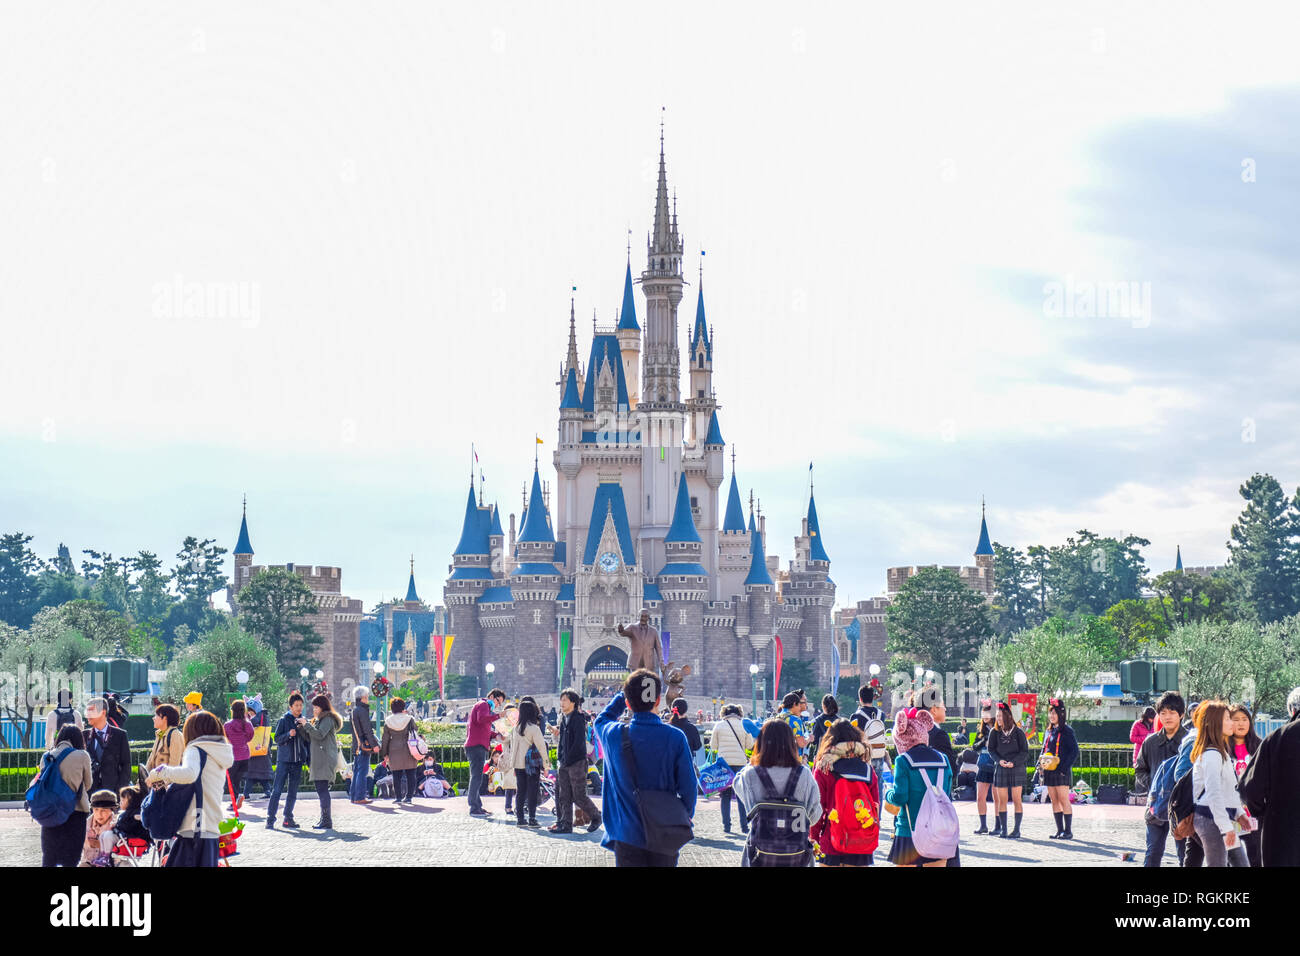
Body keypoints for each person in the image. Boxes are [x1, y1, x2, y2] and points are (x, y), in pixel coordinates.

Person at [594, 669, 697, 867]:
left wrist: (622, 695)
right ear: (658, 700)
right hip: (665, 832)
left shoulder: (613, 735)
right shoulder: (675, 737)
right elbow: (689, 788)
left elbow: (602, 719)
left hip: (626, 835)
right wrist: (682, 818)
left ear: (627, 703)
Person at [145, 710, 233, 867]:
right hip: (210, 828)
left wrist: (159, 772)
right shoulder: (220, 753)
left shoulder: (195, 749)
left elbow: (190, 774)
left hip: (193, 828)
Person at [732, 718, 821, 867]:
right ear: (790, 743)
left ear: (761, 743)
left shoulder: (750, 774)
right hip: (797, 854)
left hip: (759, 854)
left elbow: (737, 784)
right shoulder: (804, 774)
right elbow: (814, 814)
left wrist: (753, 760)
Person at [1238, 686, 1300, 867]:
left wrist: (1264, 813)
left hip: (1284, 837)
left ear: (1292, 710)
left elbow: (1249, 789)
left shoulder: (1276, 739)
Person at [883, 707, 952, 866]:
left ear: (901, 738)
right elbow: (946, 795)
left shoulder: (903, 761)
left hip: (909, 829)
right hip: (939, 830)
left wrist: (887, 793)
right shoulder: (943, 759)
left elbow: (900, 797)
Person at [1188, 700, 1248, 867]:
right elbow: (1214, 793)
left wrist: (1238, 813)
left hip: (1218, 818)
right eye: (1227, 718)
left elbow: (1227, 789)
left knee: (1239, 863)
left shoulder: (1220, 752)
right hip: (1210, 818)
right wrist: (1226, 827)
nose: (1232, 722)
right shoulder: (1212, 754)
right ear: (1214, 723)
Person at [809, 718, 877, 867]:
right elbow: (875, 806)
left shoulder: (824, 768)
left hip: (832, 837)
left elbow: (817, 808)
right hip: (860, 841)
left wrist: (813, 837)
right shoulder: (867, 770)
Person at [1137, 691, 1189, 866]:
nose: (1168, 717)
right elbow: (1140, 769)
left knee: (1186, 856)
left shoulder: (1190, 742)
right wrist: (1154, 785)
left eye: (1172, 712)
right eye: (1163, 713)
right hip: (1156, 807)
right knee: (1153, 853)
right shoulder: (1150, 742)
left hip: (1182, 808)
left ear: (1181, 714)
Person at [39, 725, 94, 867]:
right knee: (72, 857)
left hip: (51, 812)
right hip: (76, 810)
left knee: (49, 856)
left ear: (60, 738)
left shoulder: (47, 756)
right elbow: (88, 785)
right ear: (78, 739)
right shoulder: (82, 756)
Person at [550, 689, 601, 834]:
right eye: (561, 700)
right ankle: (566, 824)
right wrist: (561, 757)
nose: (562, 703)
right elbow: (562, 742)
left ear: (573, 702)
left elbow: (579, 743)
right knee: (563, 794)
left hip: (577, 762)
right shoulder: (564, 718)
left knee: (579, 795)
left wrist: (568, 758)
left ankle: (596, 816)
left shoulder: (578, 718)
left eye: (565, 700)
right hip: (565, 762)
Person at [267, 692, 311, 829]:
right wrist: (288, 734)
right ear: (290, 706)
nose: (299, 708)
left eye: (301, 705)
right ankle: (270, 819)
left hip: (297, 762)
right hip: (284, 761)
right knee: (277, 790)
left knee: (293, 791)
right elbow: (277, 739)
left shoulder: (304, 721)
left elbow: (308, 742)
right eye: (296, 705)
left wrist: (308, 760)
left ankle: (288, 818)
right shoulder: (284, 720)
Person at [710, 704, 755, 835]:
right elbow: (749, 745)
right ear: (739, 713)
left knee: (725, 796)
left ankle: (726, 827)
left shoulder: (719, 725)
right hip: (740, 762)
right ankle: (744, 827)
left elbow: (713, 746)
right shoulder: (743, 725)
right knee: (741, 796)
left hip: (724, 764)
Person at [300, 693, 342, 829]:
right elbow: (311, 736)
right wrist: (303, 727)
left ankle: (326, 820)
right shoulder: (320, 719)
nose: (314, 710)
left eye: (316, 707)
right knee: (321, 789)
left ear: (323, 707)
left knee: (322, 789)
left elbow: (319, 734)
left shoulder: (327, 719)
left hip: (325, 759)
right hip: (321, 758)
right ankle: (324, 819)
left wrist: (306, 725)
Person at [987, 701, 1028, 838]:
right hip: (1001, 767)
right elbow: (991, 750)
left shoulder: (1018, 732)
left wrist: (1014, 762)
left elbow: (1024, 752)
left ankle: (1016, 830)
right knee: (1002, 800)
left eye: (1000, 716)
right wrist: (999, 761)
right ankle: (1003, 829)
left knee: (1017, 799)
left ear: (1007, 716)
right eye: (997, 716)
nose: (998, 719)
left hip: (1017, 768)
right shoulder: (994, 732)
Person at [464, 687, 507, 816]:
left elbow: (484, 728)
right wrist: (498, 716)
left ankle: (477, 806)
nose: (498, 705)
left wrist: (496, 735)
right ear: (492, 697)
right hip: (476, 746)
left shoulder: (485, 707)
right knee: (476, 777)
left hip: (478, 745)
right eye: (499, 702)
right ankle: (474, 807)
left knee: (477, 777)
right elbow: (481, 719)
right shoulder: (483, 704)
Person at [1041, 698, 1080, 839]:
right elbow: (1044, 749)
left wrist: (1064, 768)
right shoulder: (1049, 731)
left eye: (1054, 713)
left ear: (1061, 714)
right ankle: (1059, 830)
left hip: (1061, 770)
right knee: (1054, 800)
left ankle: (1068, 831)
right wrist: (1040, 763)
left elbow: (1074, 751)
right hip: (1049, 770)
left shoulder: (1067, 730)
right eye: (1050, 713)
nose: (1051, 716)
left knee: (1064, 799)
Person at [510, 698, 550, 828]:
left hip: (519, 764)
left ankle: (520, 819)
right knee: (532, 791)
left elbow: (514, 748)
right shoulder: (534, 729)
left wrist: (513, 765)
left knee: (520, 791)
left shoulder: (516, 728)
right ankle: (532, 818)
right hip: (532, 765)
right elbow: (542, 748)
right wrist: (546, 765)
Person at [83, 697, 132, 795]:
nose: (88, 715)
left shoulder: (120, 735)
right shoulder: (83, 735)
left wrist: (120, 789)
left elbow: (126, 764)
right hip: (88, 792)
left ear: (103, 712)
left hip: (112, 792)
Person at [379, 697, 420, 805]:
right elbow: (415, 730)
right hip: (408, 749)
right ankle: (409, 797)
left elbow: (385, 739)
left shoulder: (388, 721)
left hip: (394, 750)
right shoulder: (409, 719)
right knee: (411, 774)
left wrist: (385, 753)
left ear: (392, 708)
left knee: (396, 775)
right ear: (403, 707)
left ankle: (398, 797)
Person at [350, 686, 379, 805]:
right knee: (362, 771)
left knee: (357, 771)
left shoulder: (355, 710)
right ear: (363, 697)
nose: (368, 699)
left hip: (357, 745)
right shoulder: (362, 711)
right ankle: (360, 797)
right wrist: (374, 744)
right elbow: (367, 730)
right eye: (367, 696)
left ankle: (354, 796)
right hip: (363, 746)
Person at [224, 699, 255, 811]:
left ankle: (235, 799)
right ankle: (238, 798)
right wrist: (243, 740)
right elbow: (251, 735)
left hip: (233, 756)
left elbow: (226, 737)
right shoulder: (247, 723)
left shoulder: (228, 725)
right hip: (245, 755)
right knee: (238, 778)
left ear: (232, 711)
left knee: (231, 782)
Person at [242, 696, 274, 800]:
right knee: (259, 774)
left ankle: (246, 793)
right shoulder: (262, 716)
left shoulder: (261, 716)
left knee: (251, 774)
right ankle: (267, 791)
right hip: (260, 750)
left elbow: (251, 724)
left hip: (257, 750)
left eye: (251, 711)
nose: (250, 713)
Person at [972, 701, 997, 834]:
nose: (985, 715)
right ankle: (983, 825)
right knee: (980, 797)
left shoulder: (999, 728)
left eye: (987, 712)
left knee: (996, 797)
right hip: (983, 766)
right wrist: (984, 741)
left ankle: (998, 825)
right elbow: (974, 746)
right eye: (983, 713)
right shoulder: (981, 730)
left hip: (996, 766)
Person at [616, 609, 664, 676]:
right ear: (638, 616)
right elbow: (624, 633)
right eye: (642, 616)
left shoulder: (653, 631)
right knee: (635, 682)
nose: (643, 618)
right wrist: (621, 630)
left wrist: (661, 662)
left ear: (648, 617)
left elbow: (659, 648)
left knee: (648, 682)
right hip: (635, 662)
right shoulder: (632, 627)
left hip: (649, 663)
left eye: (645, 616)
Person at [80, 790, 119, 867]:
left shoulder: (117, 826)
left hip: (110, 863)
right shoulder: (85, 825)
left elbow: (123, 850)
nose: (99, 814)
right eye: (96, 809)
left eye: (103, 810)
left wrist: (101, 845)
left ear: (112, 810)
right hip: (88, 862)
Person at [146, 704, 185, 775]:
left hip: (169, 784)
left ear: (165, 718)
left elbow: (174, 767)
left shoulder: (175, 735)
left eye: (156, 715)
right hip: (157, 783)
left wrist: (163, 784)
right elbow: (151, 760)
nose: (153, 718)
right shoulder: (159, 734)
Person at [777, 690, 810, 761]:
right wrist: (809, 738)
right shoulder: (795, 720)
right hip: (791, 760)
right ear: (795, 704)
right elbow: (801, 743)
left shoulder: (775, 718)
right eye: (798, 705)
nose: (799, 708)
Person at [668, 698, 702, 763]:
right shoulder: (692, 728)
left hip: (669, 765)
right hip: (687, 764)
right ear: (685, 710)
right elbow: (697, 746)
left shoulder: (667, 727)